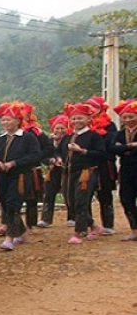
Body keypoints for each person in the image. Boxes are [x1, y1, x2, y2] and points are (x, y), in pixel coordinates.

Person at [0, 101, 41, 251]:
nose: (5, 122)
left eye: (9, 119)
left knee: (13, 204)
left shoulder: (27, 137)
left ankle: (9, 239)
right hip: (2, 176)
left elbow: (35, 156)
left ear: (18, 121)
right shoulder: (0, 138)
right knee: (6, 204)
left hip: (20, 176)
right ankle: (22, 231)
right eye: (3, 120)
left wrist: (14, 163)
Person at [56, 102, 106, 244]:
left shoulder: (94, 136)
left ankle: (78, 233)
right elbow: (58, 151)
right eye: (73, 119)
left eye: (80, 118)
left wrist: (82, 151)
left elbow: (101, 154)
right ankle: (94, 226)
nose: (76, 121)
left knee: (81, 201)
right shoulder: (67, 137)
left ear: (88, 119)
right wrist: (58, 159)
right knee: (70, 201)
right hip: (68, 173)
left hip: (86, 173)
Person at [86, 96, 118, 236]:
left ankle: (108, 225)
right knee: (84, 195)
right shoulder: (83, 124)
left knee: (104, 194)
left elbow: (109, 145)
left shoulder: (109, 125)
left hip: (104, 164)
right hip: (87, 163)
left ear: (100, 109)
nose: (91, 110)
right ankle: (88, 224)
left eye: (94, 107)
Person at [20, 105, 54, 234]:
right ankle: (8, 224)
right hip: (14, 170)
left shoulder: (36, 132)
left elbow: (49, 148)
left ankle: (30, 225)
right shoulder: (9, 133)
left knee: (31, 198)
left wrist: (36, 157)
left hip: (32, 169)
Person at [39, 114, 74, 228]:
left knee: (68, 192)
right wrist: (51, 160)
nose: (59, 131)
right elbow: (43, 155)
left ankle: (72, 217)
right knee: (49, 192)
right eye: (57, 128)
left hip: (67, 170)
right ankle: (46, 219)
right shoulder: (48, 141)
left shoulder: (70, 138)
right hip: (53, 170)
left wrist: (61, 159)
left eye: (62, 128)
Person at [111, 99, 137, 241]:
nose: (128, 120)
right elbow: (113, 148)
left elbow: (119, 148)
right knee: (126, 199)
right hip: (126, 169)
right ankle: (134, 230)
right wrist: (132, 146)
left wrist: (124, 148)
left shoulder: (121, 137)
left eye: (131, 116)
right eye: (125, 117)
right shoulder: (120, 133)